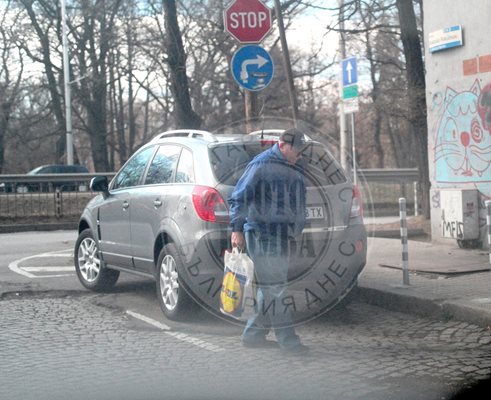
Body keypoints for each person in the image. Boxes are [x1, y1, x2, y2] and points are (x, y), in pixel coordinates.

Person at [228, 127, 309, 355]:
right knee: (276, 288)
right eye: (297, 151)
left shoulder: (292, 164)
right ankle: (289, 341)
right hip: (263, 233)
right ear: (283, 145)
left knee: (270, 288)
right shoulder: (261, 164)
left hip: (281, 233)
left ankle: (253, 335)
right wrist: (236, 229)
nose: (299, 156)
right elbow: (239, 197)